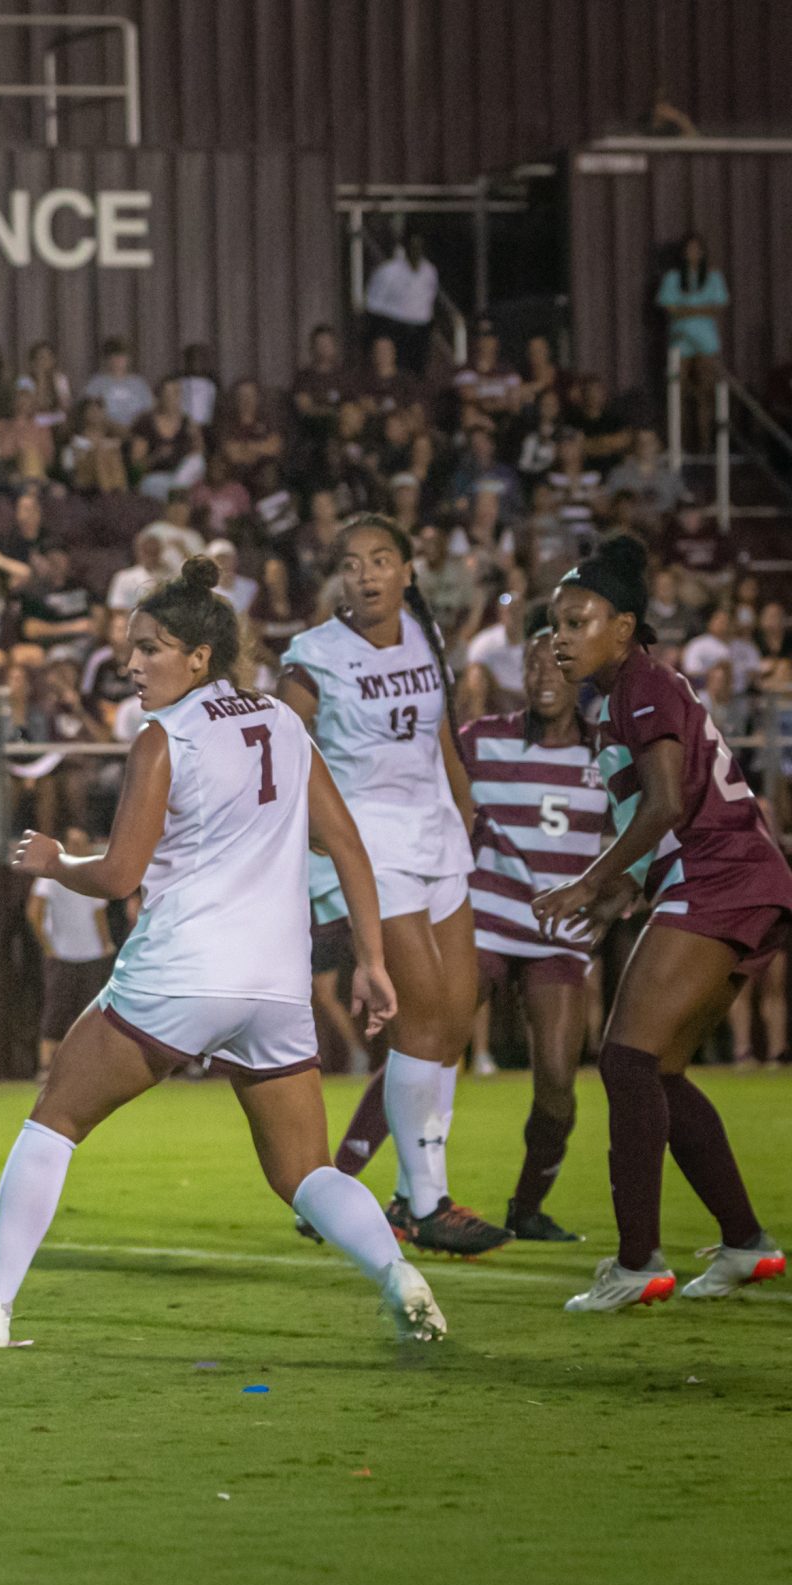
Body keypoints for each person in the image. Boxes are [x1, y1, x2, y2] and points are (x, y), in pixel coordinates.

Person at [0, 558, 442, 1349]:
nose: (132, 664)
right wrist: (372, 960)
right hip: (277, 987)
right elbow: (347, 844)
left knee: (55, 1119)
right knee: (305, 1174)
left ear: (200, 657)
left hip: (182, 976)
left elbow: (117, 875)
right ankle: (399, 1276)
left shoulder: (164, 738)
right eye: (131, 648)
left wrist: (52, 861)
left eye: (152, 648)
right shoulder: (284, 720)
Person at [535, 536, 791, 1311]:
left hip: (720, 877)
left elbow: (667, 805)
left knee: (625, 1060)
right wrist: (617, 896)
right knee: (659, 1071)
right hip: (734, 879)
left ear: (625, 625)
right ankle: (747, 1244)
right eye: (555, 624)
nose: (561, 637)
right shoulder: (628, 693)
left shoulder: (640, 684)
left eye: (579, 621)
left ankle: (638, 1259)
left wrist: (589, 883)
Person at [324, 629, 610, 1243]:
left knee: (559, 1082)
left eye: (554, 668)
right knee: (426, 1039)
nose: (541, 679)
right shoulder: (482, 739)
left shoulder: (605, 754)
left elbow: (637, 833)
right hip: (482, 921)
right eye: (531, 667)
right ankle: (340, 1184)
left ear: (577, 677)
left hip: (557, 940)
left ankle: (527, 1209)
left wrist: (616, 898)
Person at [284, 517, 510, 1256]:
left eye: (381, 559)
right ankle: (425, 1199)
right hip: (371, 843)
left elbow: (441, 735)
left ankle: (406, 1192)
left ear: (408, 570)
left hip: (439, 833)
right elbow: (282, 737)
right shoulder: (315, 654)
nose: (367, 574)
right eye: (352, 564)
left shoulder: (422, 628)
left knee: (449, 1018)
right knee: (422, 1020)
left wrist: (468, 809)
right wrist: (308, 822)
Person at [27, 825, 115, 1073]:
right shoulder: (51, 874)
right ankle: (46, 1068)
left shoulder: (92, 873)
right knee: (55, 1014)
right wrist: (48, 947)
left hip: (92, 955)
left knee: (92, 1016)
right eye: (75, 844)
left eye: (83, 843)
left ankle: (90, 1066)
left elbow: (99, 914)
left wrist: (105, 946)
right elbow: (34, 912)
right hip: (62, 956)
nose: (81, 848)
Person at [656, 233, 729, 454]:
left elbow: (717, 306)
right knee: (678, 393)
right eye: (689, 249)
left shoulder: (713, 277)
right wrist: (698, 309)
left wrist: (686, 310)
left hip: (706, 342)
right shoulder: (672, 277)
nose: (693, 253)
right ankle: (681, 443)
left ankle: (706, 443)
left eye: (697, 249)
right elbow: (669, 308)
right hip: (680, 341)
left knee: (705, 393)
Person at [363, 229, 441, 376]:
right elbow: (373, 303)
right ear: (405, 247)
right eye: (412, 246)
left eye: (420, 246)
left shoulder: (429, 271)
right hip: (395, 327)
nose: (416, 250)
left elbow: (428, 299)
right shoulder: (388, 271)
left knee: (418, 370)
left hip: (420, 329)